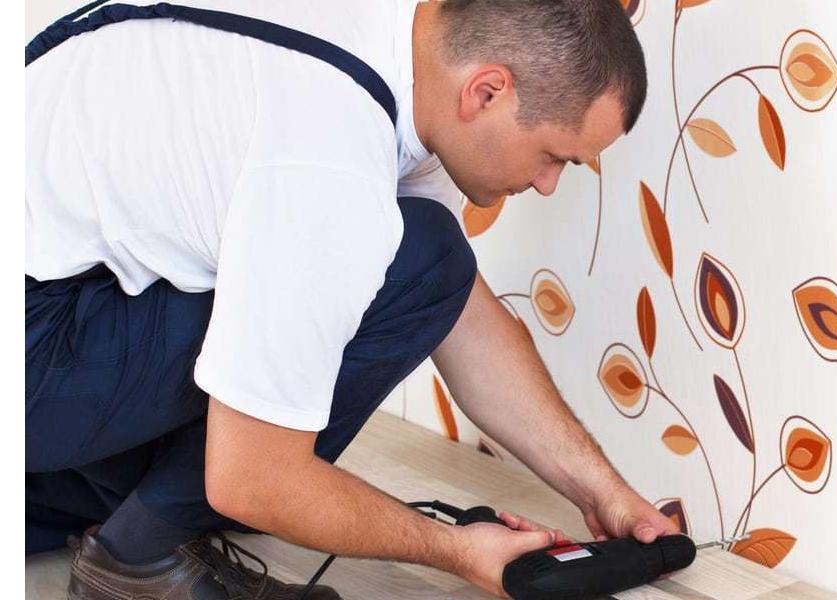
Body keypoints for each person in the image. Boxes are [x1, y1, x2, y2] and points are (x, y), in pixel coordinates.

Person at [25, 1, 680, 598]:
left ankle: (81, 498)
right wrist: (455, 550)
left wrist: (603, 491)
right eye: (553, 156)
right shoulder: (331, 146)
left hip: (54, 317)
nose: (546, 185)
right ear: (486, 90)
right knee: (259, 474)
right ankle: (134, 565)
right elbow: (251, 477)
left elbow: (457, 315)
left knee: (424, 256)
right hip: (34, 340)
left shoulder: (400, 55)